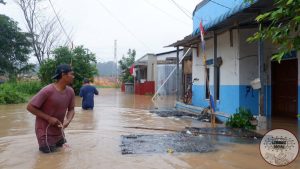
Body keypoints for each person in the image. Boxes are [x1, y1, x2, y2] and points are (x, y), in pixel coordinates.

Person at [27, 64, 75, 153]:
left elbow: (71, 109)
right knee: (48, 159)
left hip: (59, 132)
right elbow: (30, 107)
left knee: (61, 157)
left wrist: (68, 120)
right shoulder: (47, 91)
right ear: (63, 75)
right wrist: (48, 118)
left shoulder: (70, 91)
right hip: (45, 133)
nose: (73, 76)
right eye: (71, 74)